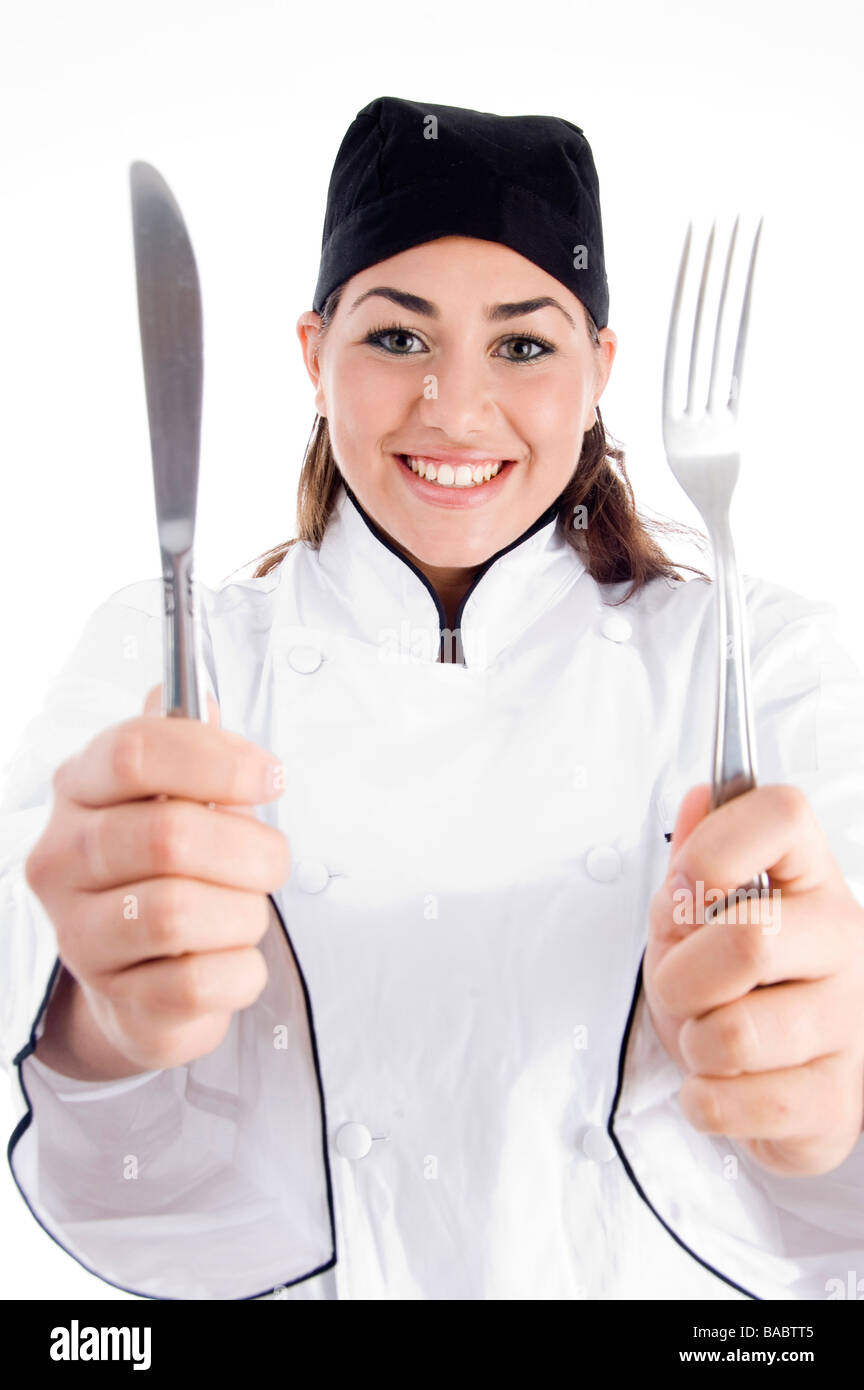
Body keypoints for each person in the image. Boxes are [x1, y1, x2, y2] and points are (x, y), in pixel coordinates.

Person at [2, 95, 864, 1302]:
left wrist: (832, 1085)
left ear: (601, 372)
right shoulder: (178, 647)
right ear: (313, 355)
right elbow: (35, 1000)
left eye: (523, 344)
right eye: (399, 339)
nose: (455, 409)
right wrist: (97, 1019)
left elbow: (835, 1171)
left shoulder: (755, 657)